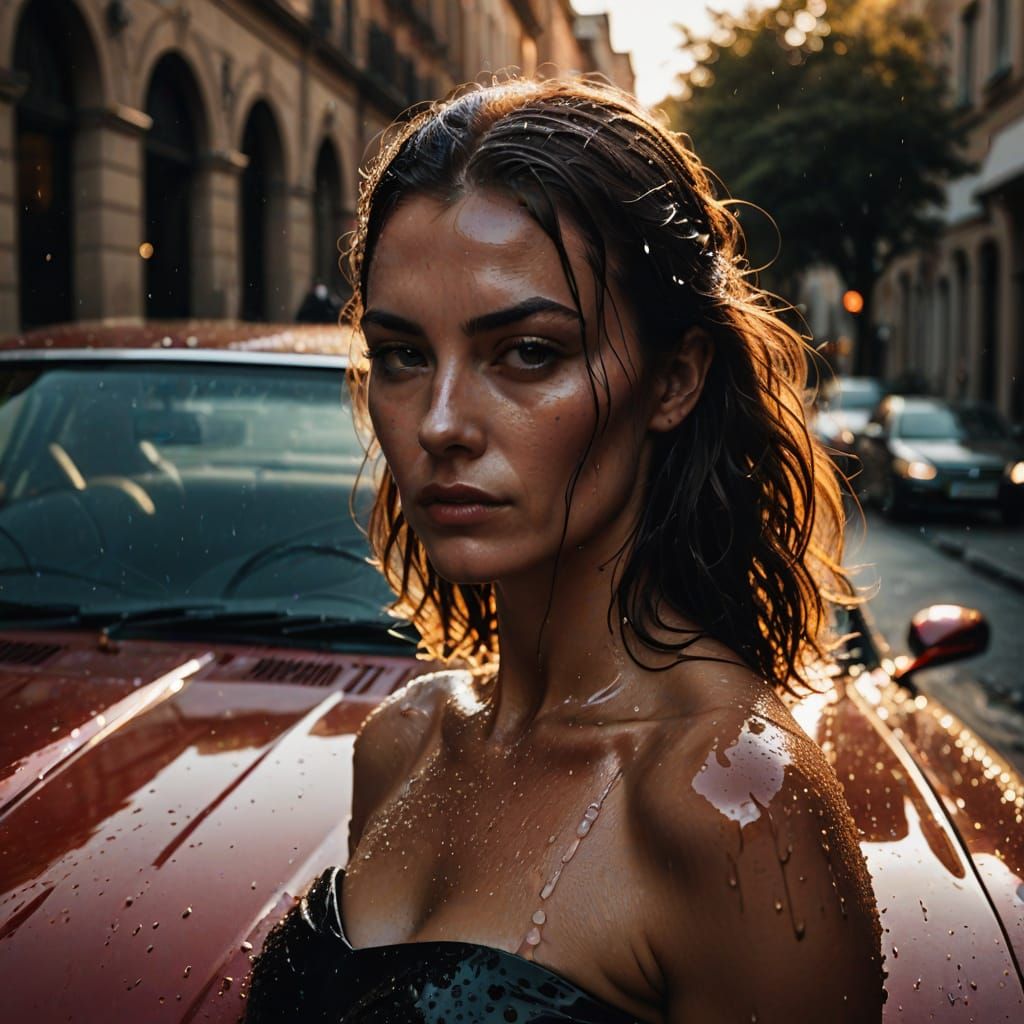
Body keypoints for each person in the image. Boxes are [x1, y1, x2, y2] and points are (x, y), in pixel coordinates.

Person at [246, 76, 883, 1023]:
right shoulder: (404, 741)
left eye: (529, 353)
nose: (442, 423)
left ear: (673, 379)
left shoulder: (736, 801)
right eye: (404, 355)